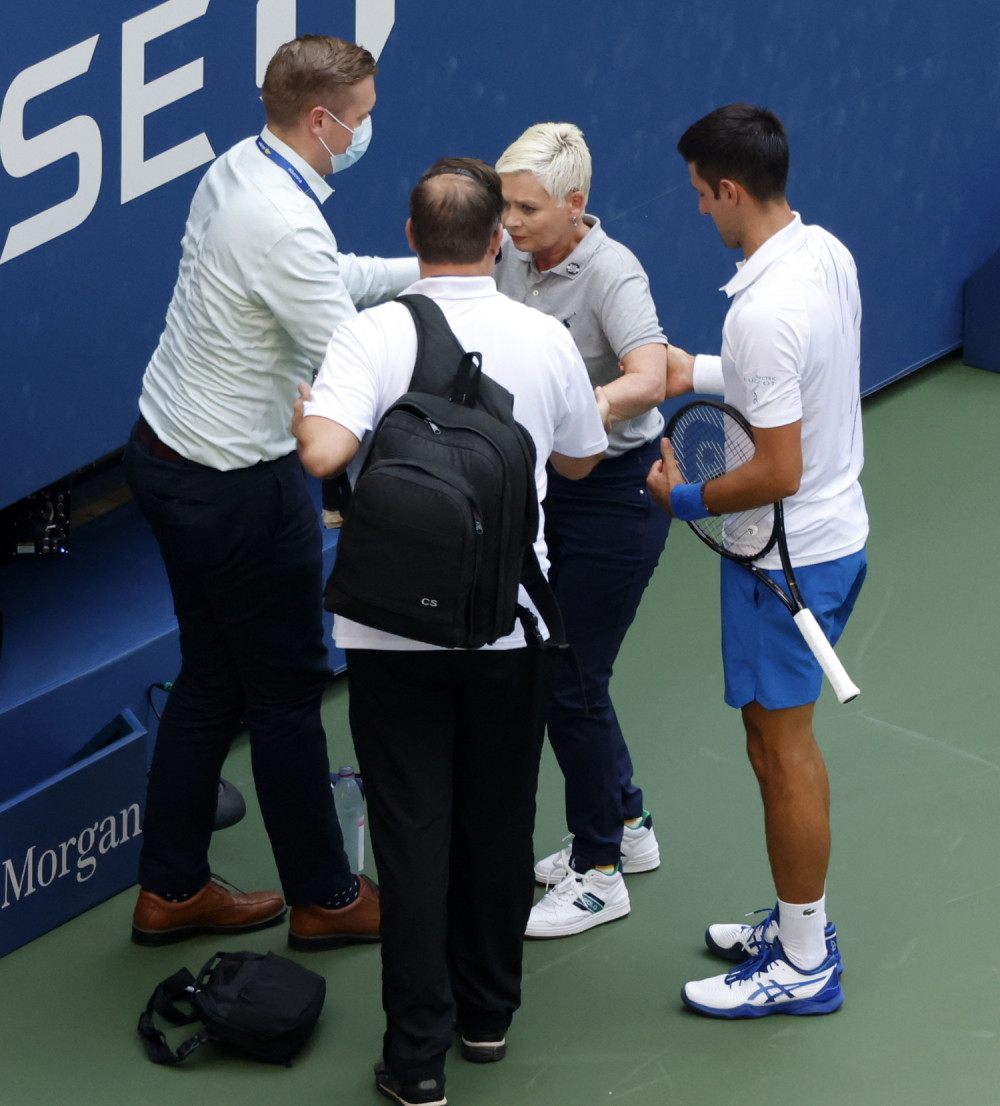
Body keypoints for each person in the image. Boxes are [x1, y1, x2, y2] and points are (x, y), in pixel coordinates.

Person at [294, 158, 607, 1106]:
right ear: (499, 239)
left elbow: (321, 456)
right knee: (498, 820)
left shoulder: (371, 333)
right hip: (511, 634)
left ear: (411, 235)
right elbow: (584, 462)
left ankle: (416, 1060)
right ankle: (487, 1018)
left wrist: (311, 404)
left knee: (412, 833)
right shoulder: (543, 338)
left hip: (389, 639)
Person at [123, 35, 418, 949]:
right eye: (361, 118)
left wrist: (437, 271)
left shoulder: (240, 169)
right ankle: (328, 901)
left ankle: (170, 890)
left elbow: (329, 279)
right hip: (237, 491)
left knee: (213, 673)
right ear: (320, 119)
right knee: (286, 695)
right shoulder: (282, 223)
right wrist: (466, 307)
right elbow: (358, 364)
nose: (368, 130)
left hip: (164, 459)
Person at [647, 103, 868, 1017]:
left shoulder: (763, 313)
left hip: (788, 562)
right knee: (767, 740)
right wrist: (692, 370)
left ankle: (806, 961)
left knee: (785, 753)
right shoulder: (823, 252)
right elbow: (798, 383)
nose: (699, 209)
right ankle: (794, 920)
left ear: (732, 189)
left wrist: (682, 499)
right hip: (828, 538)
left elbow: (779, 465)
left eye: (702, 195)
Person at [493, 123, 669, 937]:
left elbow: (648, 373)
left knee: (568, 678)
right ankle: (627, 823)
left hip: (616, 497)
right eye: (504, 205)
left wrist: (579, 409)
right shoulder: (505, 255)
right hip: (546, 491)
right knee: (574, 670)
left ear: (576, 205)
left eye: (527, 207)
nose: (512, 221)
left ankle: (599, 872)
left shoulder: (612, 273)